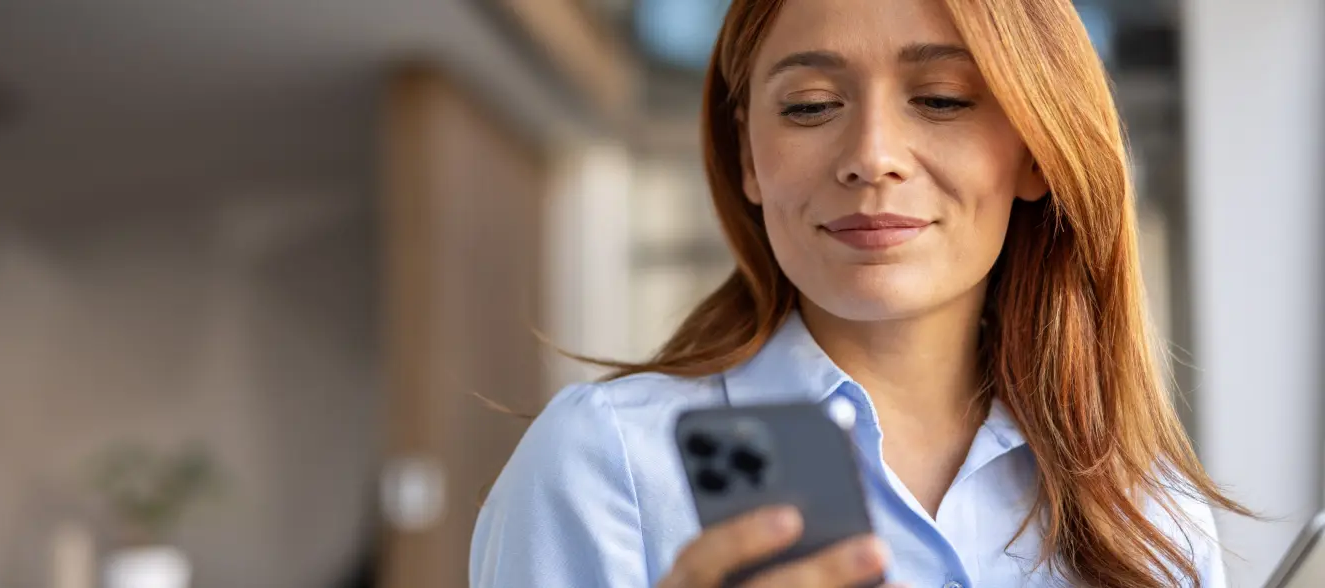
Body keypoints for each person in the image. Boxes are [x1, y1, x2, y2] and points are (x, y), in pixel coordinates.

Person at [470, 0, 1252, 586]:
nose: (872, 157)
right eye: (810, 106)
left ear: (1036, 151)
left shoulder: (1149, 513)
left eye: (942, 99)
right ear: (747, 154)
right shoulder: (606, 464)